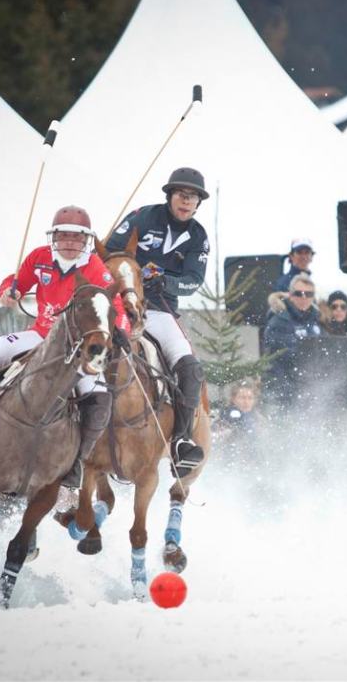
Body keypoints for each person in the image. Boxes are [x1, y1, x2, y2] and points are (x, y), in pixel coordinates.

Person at [0, 205, 127, 487]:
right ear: (54, 237)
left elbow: (114, 305)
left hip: (74, 348)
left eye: (77, 238)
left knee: (100, 398)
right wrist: (8, 291)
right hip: (39, 336)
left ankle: (76, 463)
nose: (70, 243)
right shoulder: (40, 257)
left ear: (86, 240)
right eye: (63, 236)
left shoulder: (95, 268)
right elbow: (15, 281)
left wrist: (120, 329)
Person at [106, 167, 211, 477]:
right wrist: (132, 279)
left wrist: (165, 282)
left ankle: (181, 440)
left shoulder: (198, 236)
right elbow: (109, 254)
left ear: (197, 203)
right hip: (121, 306)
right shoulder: (141, 217)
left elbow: (194, 280)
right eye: (181, 195)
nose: (186, 201)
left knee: (189, 366)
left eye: (192, 197)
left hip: (160, 313)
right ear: (170, 196)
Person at [262, 273, 322, 412]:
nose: (304, 297)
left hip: (308, 390)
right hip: (284, 391)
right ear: (290, 295)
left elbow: (327, 348)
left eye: (308, 294)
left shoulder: (314, 320)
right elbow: (285, 356)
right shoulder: (280, 320)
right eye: (299, 293)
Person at [216, 381, 263, 469]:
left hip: (253, 465)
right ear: (233, 399)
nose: (246, 402)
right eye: (242, 398)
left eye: (250, 398)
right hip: (231, 464)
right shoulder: (227, 416)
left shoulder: (257, 418)